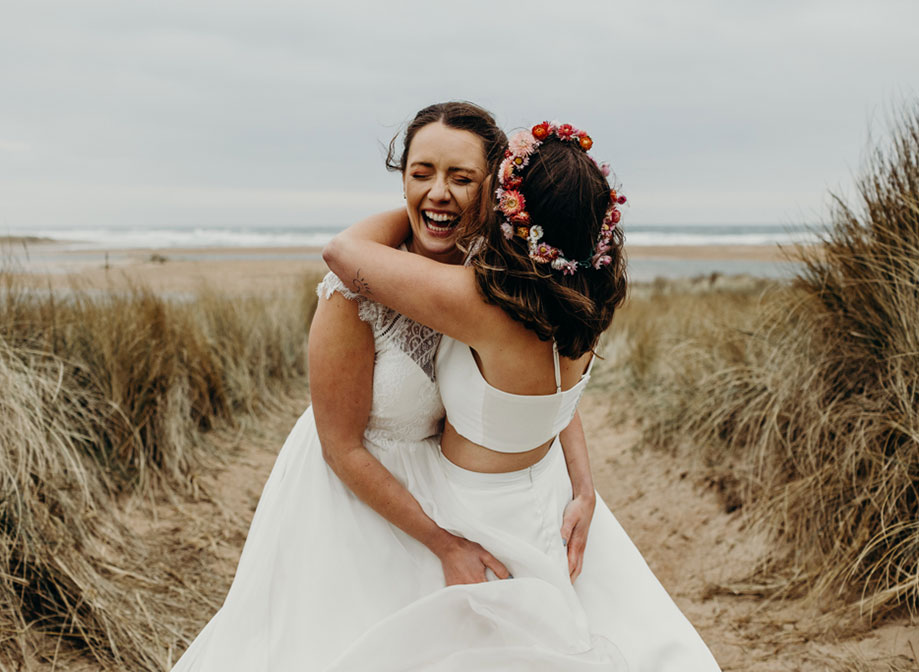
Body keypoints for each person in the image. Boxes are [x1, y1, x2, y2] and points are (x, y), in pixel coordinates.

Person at [170, 102, 599, 670]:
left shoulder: (496, 276)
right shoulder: (354, 290)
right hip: (360, 499)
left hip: (449, 496)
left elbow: (539, 385)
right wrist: (442, 542)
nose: (439, 192)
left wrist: (582, 484)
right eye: (421, 174)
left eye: (461, 178)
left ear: (497, 191)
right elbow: (340, 446)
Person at [323, 121, 722, 670]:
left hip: (476, 506)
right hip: (550, 495)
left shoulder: (481, 302)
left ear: (507, 207)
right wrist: (585, 489)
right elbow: (557, 405)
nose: (450, 190)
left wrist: (416, 197)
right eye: (423, 173)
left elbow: (343, 252)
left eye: (477, 181)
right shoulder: (581, 299)